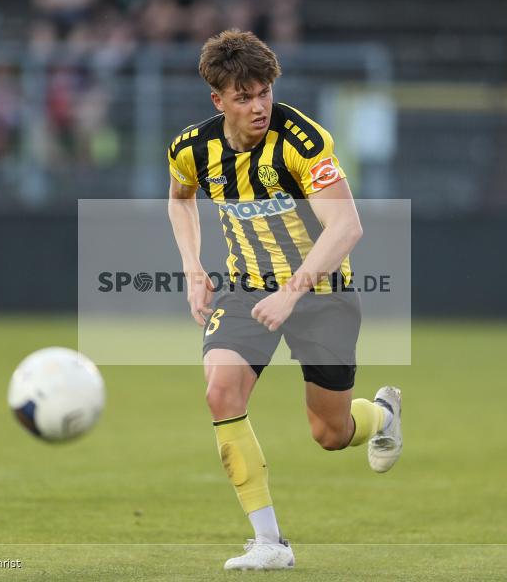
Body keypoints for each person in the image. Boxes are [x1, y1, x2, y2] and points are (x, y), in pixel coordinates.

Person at [166, 29, 403, 571]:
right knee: (221, 391)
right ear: (218, 100)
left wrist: (292, 293)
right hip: (245, 289)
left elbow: (346, 226)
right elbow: (180, 201)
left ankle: (382, 415)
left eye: (265, 92)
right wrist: (192, 266)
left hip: (322, 293)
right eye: (244, 97)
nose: (258, 106)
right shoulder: (190, 149)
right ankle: (270, 542)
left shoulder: (302, 140)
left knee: (329, 433)